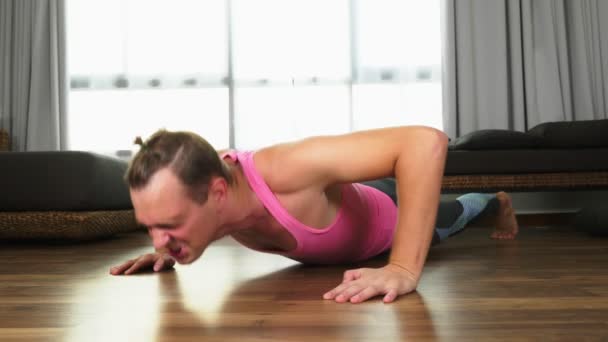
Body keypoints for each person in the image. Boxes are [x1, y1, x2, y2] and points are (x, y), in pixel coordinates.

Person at [110, 127, 519, 304]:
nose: (156, 238)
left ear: (218, 193)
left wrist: (401, 268)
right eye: (151, 225)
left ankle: (497, 201)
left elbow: (424, 142)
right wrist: (172, 245)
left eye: (168, 224)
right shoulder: (207, 179)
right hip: (347, 210)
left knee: (461, 213)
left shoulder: (285, 169)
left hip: (387, 215)